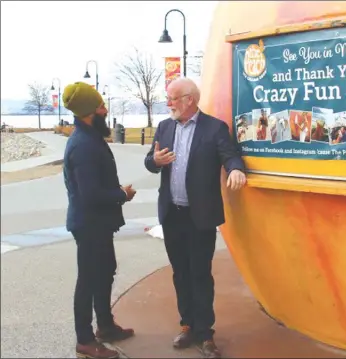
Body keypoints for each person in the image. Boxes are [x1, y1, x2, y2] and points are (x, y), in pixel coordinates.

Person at [145, 78, 246, 359]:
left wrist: (236, 170)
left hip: (199, 217)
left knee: (200, 274)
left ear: (190, 99)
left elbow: (230, 155)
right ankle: (187, 325)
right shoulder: (165, 127)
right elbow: (149, 160)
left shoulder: (214, 128)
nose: (168, 104)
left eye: (172, 99)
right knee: (180, 273)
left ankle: (205, 334)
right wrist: (155, 162)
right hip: (172, 214)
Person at [62, 82, 137, 359]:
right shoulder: (83, 145)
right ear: (89, 111)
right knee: (90, 279)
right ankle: (85, 339)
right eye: (100, 105)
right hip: (89, 224)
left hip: (98, 224)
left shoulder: (88, 137)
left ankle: (105, 326)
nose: (105, 109)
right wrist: (121, 194)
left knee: (105, 272)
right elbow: (90, 194)